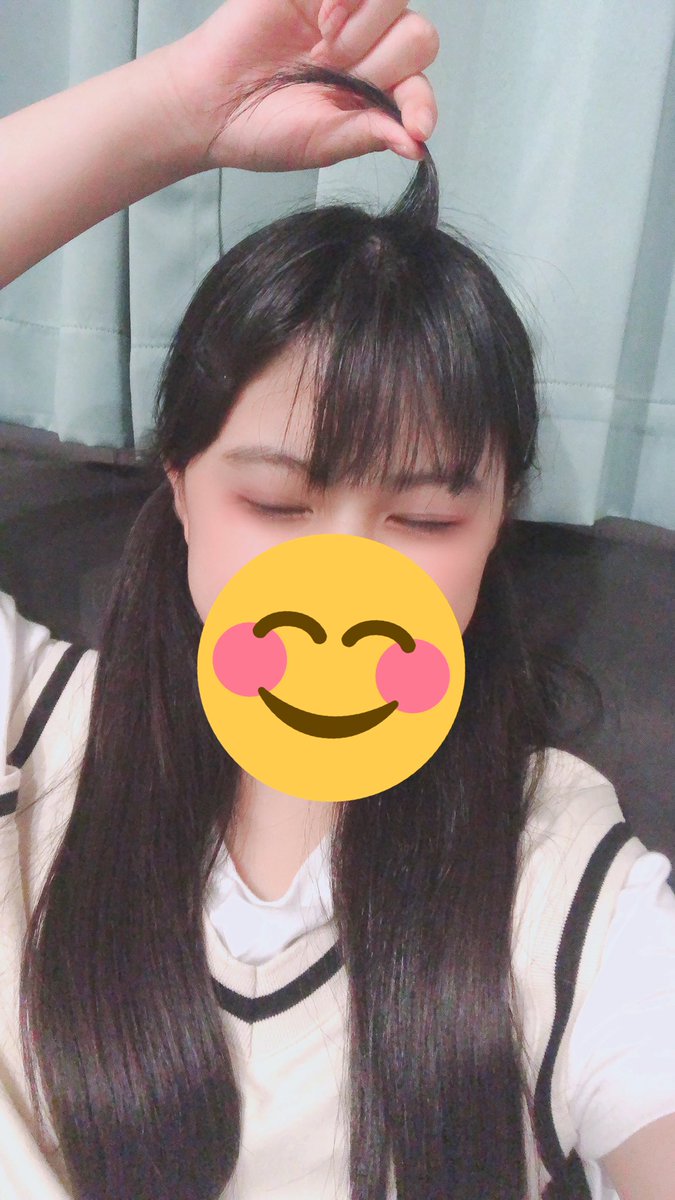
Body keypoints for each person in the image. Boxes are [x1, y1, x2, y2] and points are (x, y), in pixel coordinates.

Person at [1, 3, 674, 1199]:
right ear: (180, 485)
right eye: (275, 502)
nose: (345, 580)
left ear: (496, 529)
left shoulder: (564, 875)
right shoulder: (31, 728)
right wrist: (171, 116)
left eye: (425, 522)